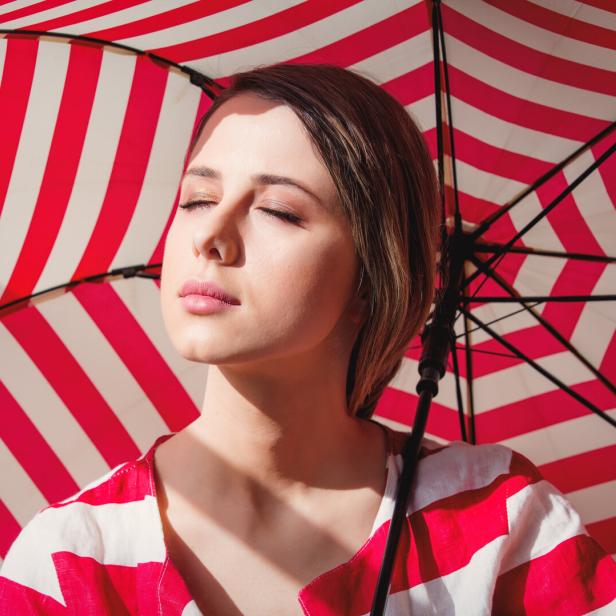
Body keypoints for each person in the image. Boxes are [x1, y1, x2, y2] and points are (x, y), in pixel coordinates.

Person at [0, 63, 614, 615]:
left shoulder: (501, 524)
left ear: (374, 277)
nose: (210, 234)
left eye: (279, 211)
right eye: (197, 198)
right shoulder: (69, 560)